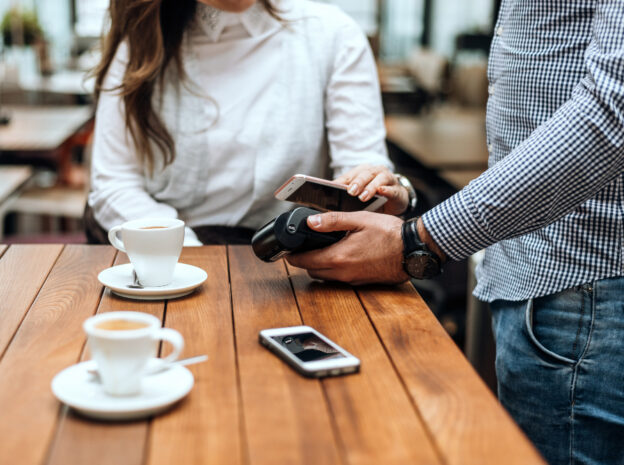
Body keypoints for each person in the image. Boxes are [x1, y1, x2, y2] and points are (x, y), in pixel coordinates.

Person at [288, 2, 624, 464]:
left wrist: (419, 242)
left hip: (584, 287)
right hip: (546, 273)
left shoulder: (327, 31)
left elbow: (613, 111)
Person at [85, 0, 412, 246]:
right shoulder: (141, 44)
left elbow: (360, 166)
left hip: (284, 254)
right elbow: (115, 184)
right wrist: (188, 254)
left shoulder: (332, 34)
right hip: (164, 254)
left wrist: (371, 185)